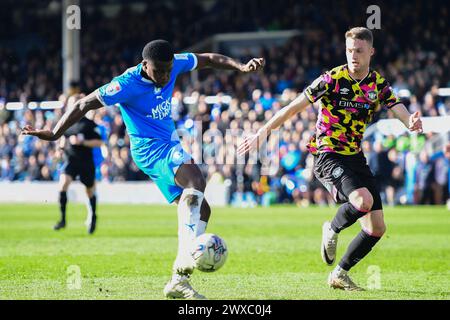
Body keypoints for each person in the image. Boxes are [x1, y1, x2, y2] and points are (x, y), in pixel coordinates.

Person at [22, 39, 264, 299]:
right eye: (159, 71)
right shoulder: (125, 84)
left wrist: (239, 66)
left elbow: (207, 59)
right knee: (196, 181)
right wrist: (56, 133)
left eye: (169, 70)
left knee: (203, 208)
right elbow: (84, 104)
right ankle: (185, 256)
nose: (165, 75)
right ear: (144, 64)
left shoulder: (173, 63)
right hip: (149, 149)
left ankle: (178, 282)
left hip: (168, 144)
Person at [238, 27, 422, 291]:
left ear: (371, 52)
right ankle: (332, 228)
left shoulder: (377, 84)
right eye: (349, 51)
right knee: (363, 201)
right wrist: (261, 133)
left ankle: (339, 274)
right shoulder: (331, 79)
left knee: (377, 228)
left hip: (355, 157)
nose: (353, 56)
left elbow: (396, 106)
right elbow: (293, 107)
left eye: (359, 51)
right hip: (328, 154)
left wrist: (410, 122)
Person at [54, 96, 103, 234]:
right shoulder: (66, 122)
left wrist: (83, 142)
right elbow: (62, 138)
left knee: (89, 191)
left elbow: (99, 142)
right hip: (71, 160)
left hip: (85, 161)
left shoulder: (89, 124)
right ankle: (62, 219)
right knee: (63, 184)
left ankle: (93, 216)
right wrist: (60, 149)